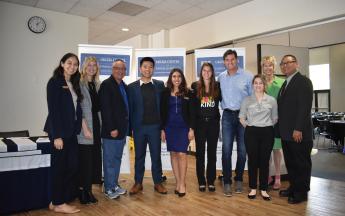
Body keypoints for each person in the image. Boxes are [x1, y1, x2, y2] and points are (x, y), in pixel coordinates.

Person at [44, 53, 82, 214]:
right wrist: (57, 135)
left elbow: (75, 108)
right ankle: (59, 203)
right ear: (62, 63)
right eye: (69, 63)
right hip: (59, 132)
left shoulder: (73, 83)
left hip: (71, 132)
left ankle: (56, 200)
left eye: (75, 64)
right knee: (60, 168)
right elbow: (53, 111)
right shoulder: (54, 82)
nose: (72, 66)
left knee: (72, 166)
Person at [128, 57, 167, 195]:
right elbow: (130, 109)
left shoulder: (159, 85)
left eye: (150, 67)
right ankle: (138, 183)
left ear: (153, 69)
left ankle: (158, 182)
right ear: (140, 68)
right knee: (139, 156)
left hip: (155, 127)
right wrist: (130, 129)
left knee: (156, 156)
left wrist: (163, 127)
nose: (148, 69)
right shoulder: (131, 87)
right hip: (139, 128)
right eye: (145, 66)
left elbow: (164, 108)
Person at [277, 54, 313, 204]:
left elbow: (304, 108)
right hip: (286, 133)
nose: (285, 66)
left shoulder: (303, 81)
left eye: (288, 63)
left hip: (298, 133)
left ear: (296, 64)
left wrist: (298, 129)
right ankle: (293, 187)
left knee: (301, 164)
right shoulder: (285, 83)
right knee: (291, 163)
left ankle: (301, 193)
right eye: (283, 64)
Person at [218, 49, 253, 196]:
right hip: (227, 116)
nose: (229, 62)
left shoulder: (248, 76)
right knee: (226, 150)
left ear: (236, 60)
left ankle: (238, 178)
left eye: (232, 60)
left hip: (243, 117)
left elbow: (252, 98)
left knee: (242, 151)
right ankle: (227, 181)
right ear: (224, 62)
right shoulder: (221, 77)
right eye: (227, 60)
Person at [239, 74, 278, 201]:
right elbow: (241, 117)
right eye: (256, 83)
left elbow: (275, 118)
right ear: (253, 85)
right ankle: (253, 188)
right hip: (251, 132)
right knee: (253, 161)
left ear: (264, 85)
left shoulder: (272, 100)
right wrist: (250, 127)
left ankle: (263, 189)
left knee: (264, 161)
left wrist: (265, 125)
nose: (258, 85)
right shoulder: (246, 100)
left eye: (260, 83)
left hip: (267, 132)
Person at [161, 68, 194, 197]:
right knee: (174, 154)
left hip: (183, 127)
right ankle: (178, 182)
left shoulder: (188, 92)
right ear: (171, 78)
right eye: (174, 76)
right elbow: (162, 112)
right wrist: (162, 129)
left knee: (182, 154)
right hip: (169, 127)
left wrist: (191, 128)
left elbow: (192, 112)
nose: (176, 79)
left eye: (179, 76)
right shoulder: (165, 93)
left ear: (182, 78)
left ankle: (183, 183)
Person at [99, 59, 129, 199]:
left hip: (122, 131)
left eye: (123, 69)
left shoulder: (123, 85)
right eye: (117, 68)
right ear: (112, 69)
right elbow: (105, 109)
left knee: (117, 159)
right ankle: (108, 188)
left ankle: (114, 184)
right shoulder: (106, 85)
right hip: (111, 131)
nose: (120, 71)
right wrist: (112, 128)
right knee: (110, 160)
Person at [191, 62, 221, 192]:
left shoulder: (217, 86)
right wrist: (191, 127)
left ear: (212, 72)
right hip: (200, 124)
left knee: (212, 153)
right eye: (204, 70)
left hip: (213, 124)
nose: (207, 73)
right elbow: (192, 108)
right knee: (200, 154)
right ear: (201, 72)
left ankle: (211, 180)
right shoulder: (195, 86)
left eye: (209, 70)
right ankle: (201, 181)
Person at [77, 57, 102, 204]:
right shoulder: (79, 84)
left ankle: (88, 191)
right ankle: (82, 192)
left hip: (96, 126)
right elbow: (77, 109)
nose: (92, 68)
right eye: (89, 65)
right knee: (85, 162)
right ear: (84, 68)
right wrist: (85, 128)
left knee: (93, 161)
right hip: (85, 127)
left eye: (94, 65)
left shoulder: (96, 85)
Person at [261, 56, 285, 190]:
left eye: (270, 65)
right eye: (265, 65)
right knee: (265, 150)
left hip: (276, 121)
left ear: (274, 67)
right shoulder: (259, 82)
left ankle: (277, 176)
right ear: (262, 67)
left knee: (276, 150)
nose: (268, 68)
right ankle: (267, 175)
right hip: (262, 121)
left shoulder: (282, 82)